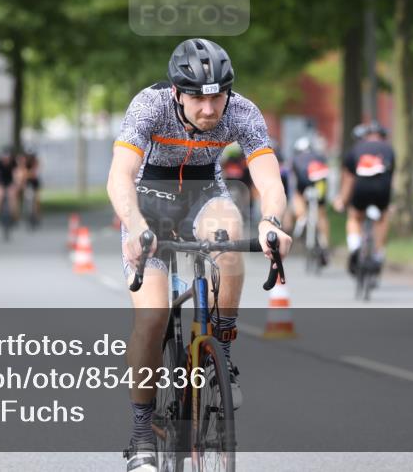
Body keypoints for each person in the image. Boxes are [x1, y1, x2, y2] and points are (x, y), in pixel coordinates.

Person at [107, 38, 292, 472]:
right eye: (197, 97)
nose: (210, 109)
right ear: (176, 92)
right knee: (151, 319)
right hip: (147, 205)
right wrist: (134, 226)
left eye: (217, 96)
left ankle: (221, 356)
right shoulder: (148, 107)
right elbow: (120, 174)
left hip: (203, 197)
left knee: (230, 236)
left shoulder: (242, 112)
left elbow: (267, 177)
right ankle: (141, 437)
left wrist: (273, 222)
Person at [334, 122, 395, 276]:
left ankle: (355, 247)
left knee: (354, 217)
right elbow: (391, 177)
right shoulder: (389, 149)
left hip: (361, 189)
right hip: (382, 189)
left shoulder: (356, 149)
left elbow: (349, 180)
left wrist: (343, 200)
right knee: (382, 218)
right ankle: (378, 254)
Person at [291, 135, 330, 256]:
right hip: (319, 184)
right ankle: (325, 244)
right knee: (322, 214)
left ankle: (301, 218)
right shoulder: (320, 157)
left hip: (303, 184)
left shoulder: (296, 159)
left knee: (297, 197)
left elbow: (294, 180)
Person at [19, 147, 42, 227]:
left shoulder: (35, 161)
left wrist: (26, 173)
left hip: (34, 182)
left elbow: (35, 172)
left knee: (37, 199)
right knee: (21, 194)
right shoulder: (22, 161)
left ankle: (37, 216)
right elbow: (20, 172)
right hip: (25, 181)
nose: (29, 158)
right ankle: (24, 213)